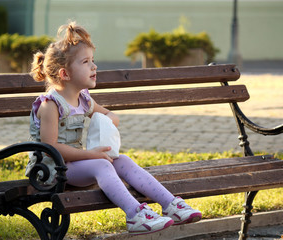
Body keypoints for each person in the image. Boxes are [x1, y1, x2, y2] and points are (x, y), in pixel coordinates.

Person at [26, 21, 202, 235]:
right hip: (51, 171)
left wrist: (106, 124)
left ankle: (171, 205)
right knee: (102, 165)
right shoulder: (50, 105)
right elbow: (50, 147)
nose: (94, 66)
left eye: (93, 60)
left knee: (123, 160)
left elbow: (109, 115)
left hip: (78, 164)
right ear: (65, 74)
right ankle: (135, 215)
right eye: (85, 62)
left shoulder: (84, 100)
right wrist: (90, 154)